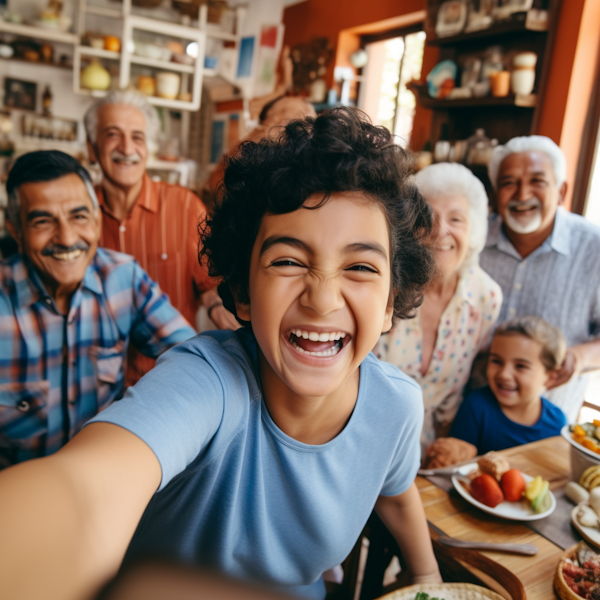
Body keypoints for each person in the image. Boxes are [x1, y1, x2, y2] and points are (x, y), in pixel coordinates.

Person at [0, 109, 441, 600]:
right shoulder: (208, 381)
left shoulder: (396, 405)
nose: (322, 298)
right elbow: (86, 491)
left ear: (389, 304)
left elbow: (397, 494)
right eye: (288, 261)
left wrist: (426, 576)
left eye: (360, 266)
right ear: (243, 291)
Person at [0, 150, 195, 467]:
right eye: (42, 221)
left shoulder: (123, 278)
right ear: (16, 231)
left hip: (105, 486)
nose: (66, 238)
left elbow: (191, 357)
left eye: (78, 217)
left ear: (96, 219)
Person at [84, 90, 238, 386]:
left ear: (148, 148)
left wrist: (220, 308)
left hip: (166, 380)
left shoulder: (184, 206)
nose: (127, 147)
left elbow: (210, 284)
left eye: (138, 137)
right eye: (112, 135)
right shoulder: (78, 216)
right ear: (92, 148)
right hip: (94, 387)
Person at [376, 163, 502, 450]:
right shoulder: (387, 286)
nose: (440, 230)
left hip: (434, 449)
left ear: (474, 230)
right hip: (367, 439)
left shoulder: (486, 297)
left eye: (456, 219)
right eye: (428, 217)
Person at [481, 135, 600, 422]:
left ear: (561, 191)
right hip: (470, 415)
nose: (522, 195)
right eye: (509, 183)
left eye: (537, 181)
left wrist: (579, 357)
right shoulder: (473, 239)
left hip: (548, 423)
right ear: (496, 192)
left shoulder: (594, 248)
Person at [450, 316, 567, 454]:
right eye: (496, 361)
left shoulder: (558, 422)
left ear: (550, 378)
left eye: (520, 366)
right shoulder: (476, 406)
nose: (504, 374)